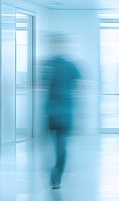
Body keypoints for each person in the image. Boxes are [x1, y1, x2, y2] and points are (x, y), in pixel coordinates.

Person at [43, 34, 82, 189]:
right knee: (62, 145)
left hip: (51, 112)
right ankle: (57, 174)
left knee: (52, 144)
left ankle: (55, 171)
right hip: (65, 112)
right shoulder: (71, 65)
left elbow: (43, 84)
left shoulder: (49, 64)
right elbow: (79, 87)